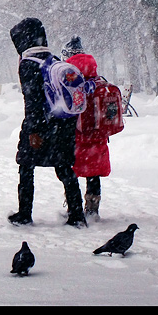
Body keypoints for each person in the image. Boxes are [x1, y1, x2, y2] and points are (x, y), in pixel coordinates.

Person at [8, 18, 87, 227]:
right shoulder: (51, 59)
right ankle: (77, 215)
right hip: (63, 124)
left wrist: (33, 131)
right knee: (64, 168)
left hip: (41, 125)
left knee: (26, 167)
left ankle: (24, 213)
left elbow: (32, 100)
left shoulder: (28, 64)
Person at [62, 36, 110, 220]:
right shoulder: (96, 76)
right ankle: (92, 208)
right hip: (98, 134)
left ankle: (72, 206)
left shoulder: (69, 76)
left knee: (70, 171)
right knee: (94, 172)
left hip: (75, 135)